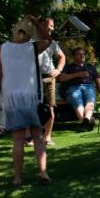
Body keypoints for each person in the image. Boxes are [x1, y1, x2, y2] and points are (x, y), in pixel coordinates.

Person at [0, 16, 53, 186]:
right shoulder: (32, 47)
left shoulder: (1, 49)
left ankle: (17, 178)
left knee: (18, 139)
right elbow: (49, 39)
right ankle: (43, 173)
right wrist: (36, 23)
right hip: (32, 97)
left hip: (12, 98)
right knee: (38, 137)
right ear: (30, 33)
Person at [58, 47, 100, 131]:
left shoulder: (90, 66)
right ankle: (88, 121)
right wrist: (78, 74)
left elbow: (98, 81)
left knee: (90, 101)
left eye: (83, 54)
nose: (82, 55)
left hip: (89, 87)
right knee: (77, 102)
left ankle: (85, 121)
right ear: (74, 56)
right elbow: (61, 78)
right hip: (73, 88)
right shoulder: (69, 67)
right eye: (79, 54)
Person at [37, 18, 65, 146]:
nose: (52, 29)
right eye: (51, 26)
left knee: (50, 107)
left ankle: (47, 137)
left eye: (53, 26)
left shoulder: (52, 43)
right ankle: (31, 137)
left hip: (49, 77)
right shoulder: (30, 41)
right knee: (31, 107)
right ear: (41, 25)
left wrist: (58, 69)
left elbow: (62, 56)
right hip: (33, 78)